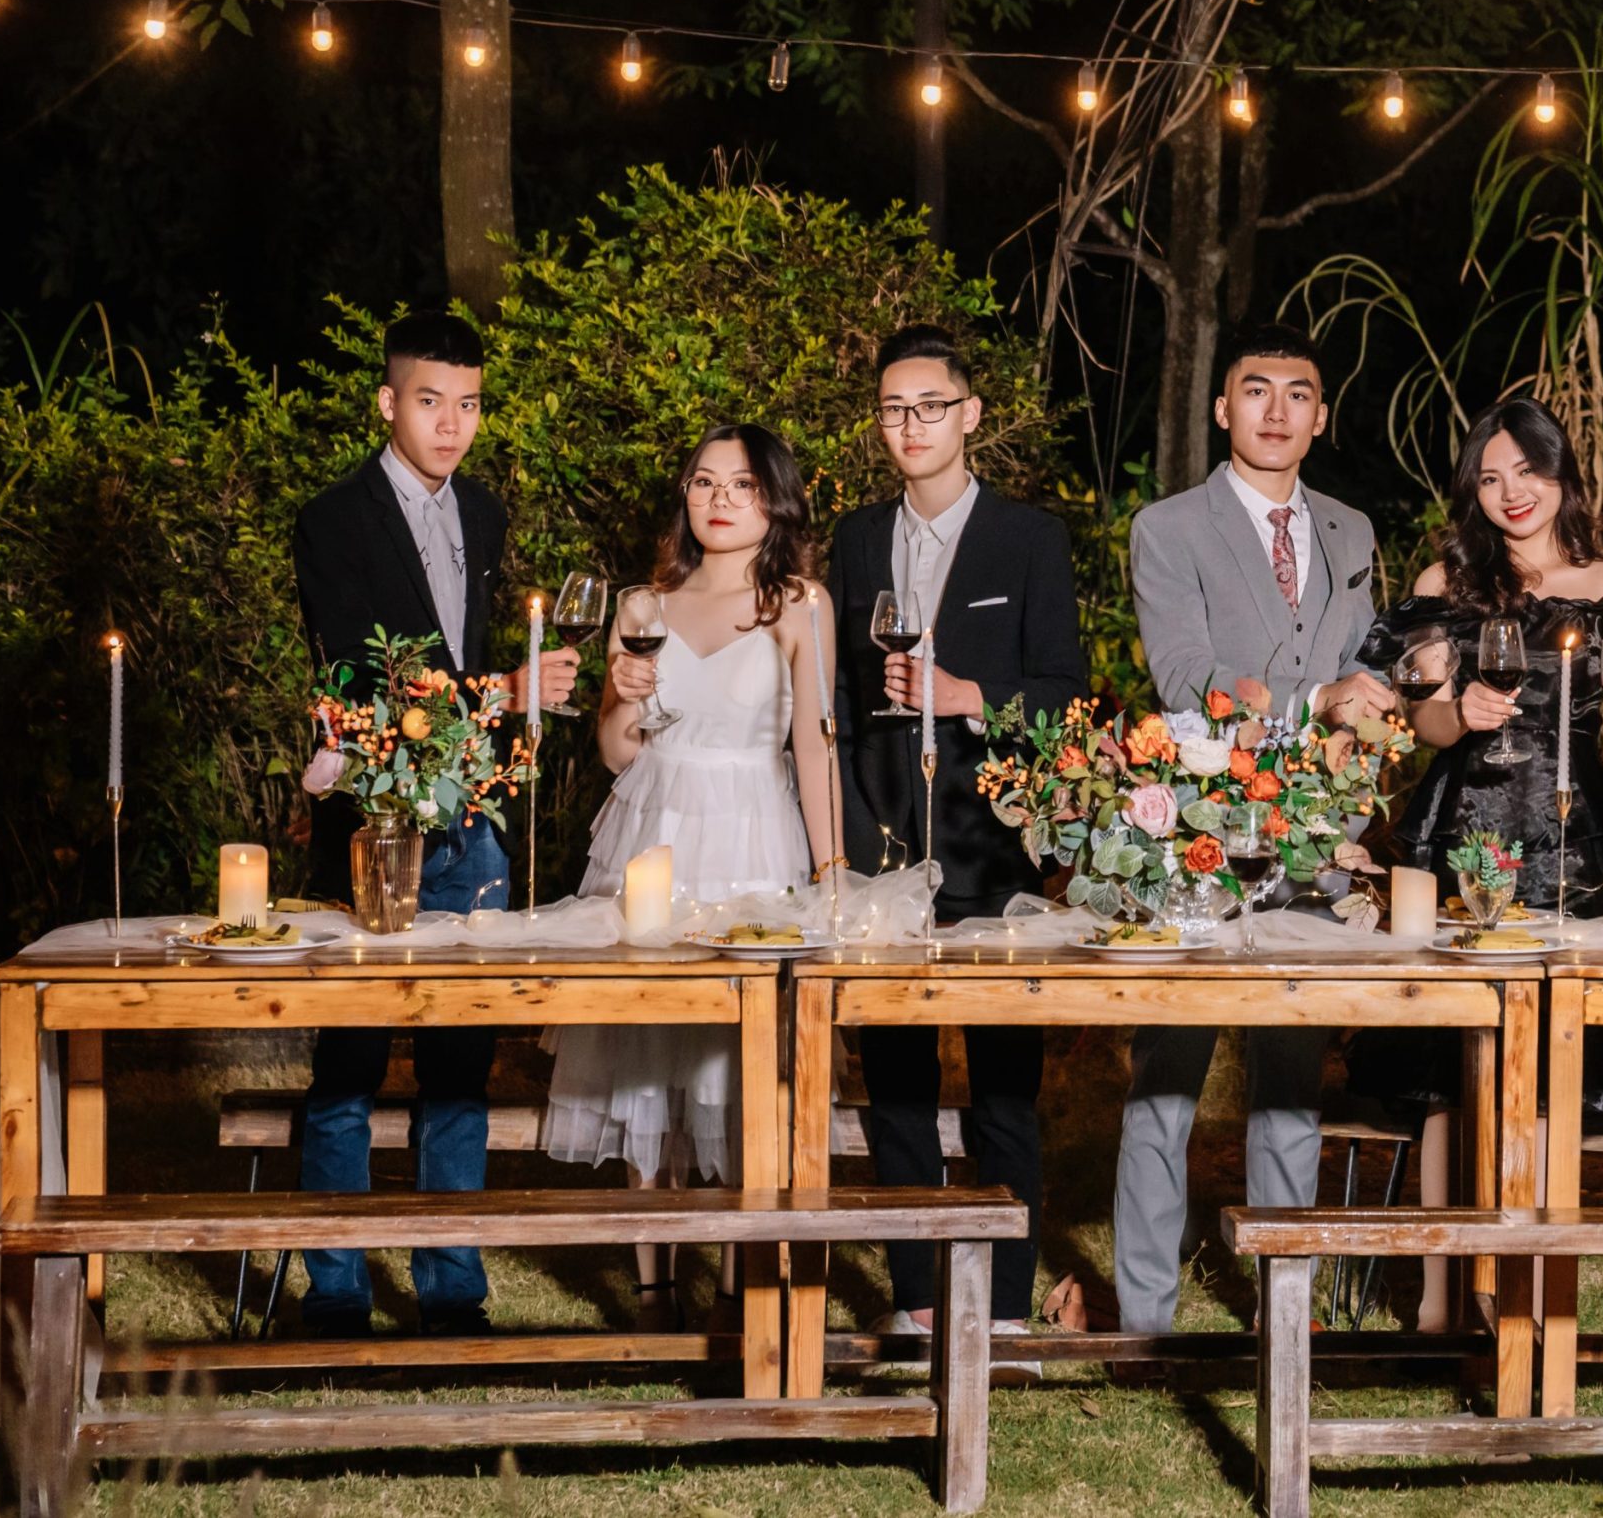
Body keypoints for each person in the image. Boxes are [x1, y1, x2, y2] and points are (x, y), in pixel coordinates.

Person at [289, 309, 578, 1337]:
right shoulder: (333, 520)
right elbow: (360, 681)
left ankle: (452, 1288)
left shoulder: (483, 514)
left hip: (473, 821)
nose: (452, 425)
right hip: (376, 823)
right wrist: (504, 689)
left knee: (461, 1067)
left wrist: (513, 703)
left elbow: (466, 653)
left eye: (469, 404)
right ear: (387, 402)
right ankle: (335, 1290)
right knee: (349, 1067)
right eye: (429, 401)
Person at [1117, 322, 1402, 1336]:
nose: (1276, 410)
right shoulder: (1167, 528)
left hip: (1319, 842)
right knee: (1164, 1085)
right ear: (1220, 406)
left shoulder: (1351, 531)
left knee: (1290, 1087)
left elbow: (1367, 668)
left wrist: (1374, 732)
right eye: (1255, 390)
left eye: (1298, 393)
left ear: (1320, 417)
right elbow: (1185, 677)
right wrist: (1318, 700)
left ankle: (1285, 1310)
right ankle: (1143, 1318)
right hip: (1198, 835)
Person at [540, 424, 841, 1321]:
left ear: (773, 499)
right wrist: (623, 700)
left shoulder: (799, 604)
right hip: (654, 831)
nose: (718, 500)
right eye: (704, 482)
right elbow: (615, 751)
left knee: (740, 1066)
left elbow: (815, 747)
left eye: (741, 485)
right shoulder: (645, 603)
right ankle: (655, 1288)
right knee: (647, 1053)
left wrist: (832, 871)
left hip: (753, 832)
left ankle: (739, 1284)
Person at [827, 325, 1084, 1351]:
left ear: (970, 414)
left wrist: (967, 693)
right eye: (893, 408)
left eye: (929, 405)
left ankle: (1005, 1305)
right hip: (882, 846)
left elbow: (1064, 696)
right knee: (894, 1086)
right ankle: (916, 1296)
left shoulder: (1028, 539)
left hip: (993, 846)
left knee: (1004, 1092)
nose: (910, 425)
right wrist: (850, 837)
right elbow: (840, 703)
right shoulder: (854, 539)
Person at [1353, 396, 1603, 1130]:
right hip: (1464, 830)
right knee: (1448, 1080)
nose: (1512, 493)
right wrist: (1459, 713)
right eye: (1490, 480)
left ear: (1561, 473)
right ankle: (1450, 1214)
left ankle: (1539, 1210)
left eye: (1527, 471)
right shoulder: (1443, 584)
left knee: (1563, 1064)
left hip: (1576, 840)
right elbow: (1424, 722)